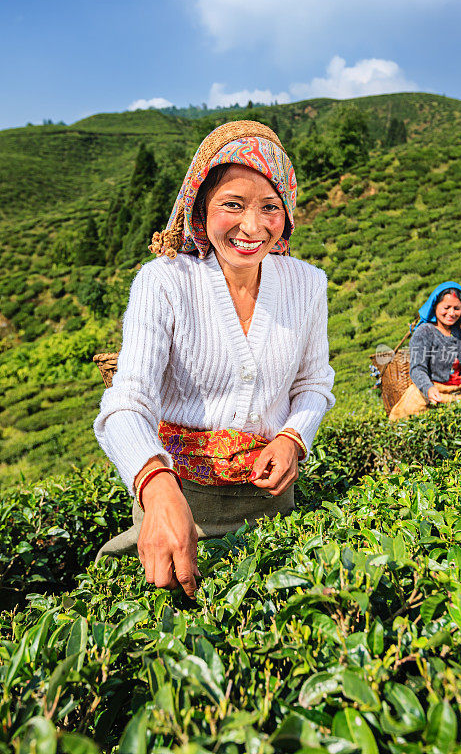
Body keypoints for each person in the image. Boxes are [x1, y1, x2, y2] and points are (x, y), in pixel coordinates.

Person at [93, 120, 335, 596]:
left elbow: (314, 384)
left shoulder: (308, 284)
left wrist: (291, 439)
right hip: (179, 508)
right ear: (201, 210)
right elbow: (125, 403)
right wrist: (156, 486)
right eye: (232, 205)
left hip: (270, 510)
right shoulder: (165, 281)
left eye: (270, 207)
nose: (253, 226)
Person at [388, 281, 461, 422]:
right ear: (435, 306)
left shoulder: (460, 332)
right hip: (430, 394)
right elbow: (417, 368)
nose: (451, 313)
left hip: (457, 393)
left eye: (457, 308)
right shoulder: (424, 332)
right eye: (446, 307)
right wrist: (428, 388)